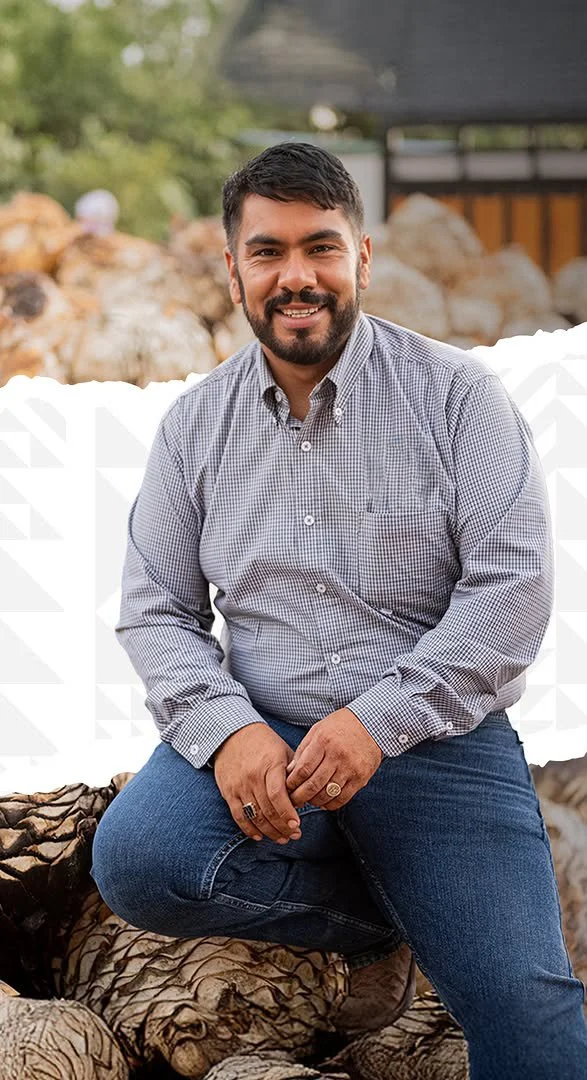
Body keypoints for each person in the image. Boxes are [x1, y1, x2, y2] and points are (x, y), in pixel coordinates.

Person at [90, 142, 587, 1076]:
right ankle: (385, 924)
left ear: (361, 256)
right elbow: (154, 609)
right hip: (268, 731)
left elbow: (512, 589)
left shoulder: (459, 399)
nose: (296, 276)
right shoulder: (194, 426)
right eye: (268, 251)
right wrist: (226, 730)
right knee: (142, 860)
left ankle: (450, 914)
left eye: (319, 247)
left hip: (435, 740)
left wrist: (376, 722)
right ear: (232, 268)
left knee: (526, 1018)